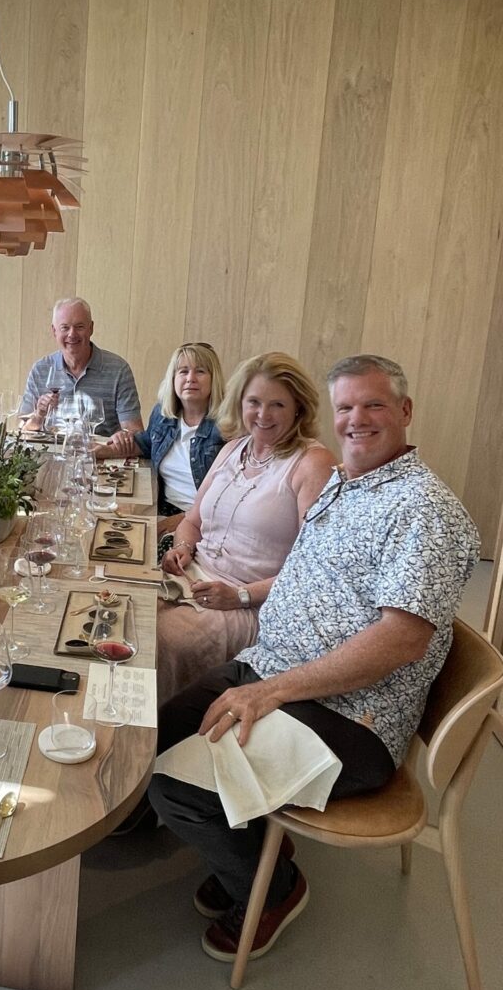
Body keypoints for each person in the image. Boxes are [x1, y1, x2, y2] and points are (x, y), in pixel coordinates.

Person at [149, 354, 480, 964]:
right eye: (346, 407)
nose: (356, 420)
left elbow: (400, 641)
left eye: (373, 405)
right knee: (155, 736)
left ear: (405, 412)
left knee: (176, 787)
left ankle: (274, 889)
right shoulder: (346, 486)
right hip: (277, 664)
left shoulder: (425, 510)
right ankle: (246, 842)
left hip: (352, 716)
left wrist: (272, 690)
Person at [155, 352, 336, 704]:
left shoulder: (312, 463)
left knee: (161, 638)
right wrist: (182, 548)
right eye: (254, 402)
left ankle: (157, 738)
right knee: (121, 612)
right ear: (240, 402)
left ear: (299, 408)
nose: (263, 415)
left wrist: (240, 596)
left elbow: (311, 570)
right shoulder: (234, 449)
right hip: (193, 578)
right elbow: (192, 521)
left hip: (247, 603)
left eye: (277, 405)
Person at [101, 342, 226, 552]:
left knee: (139, 553)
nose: (190, 378)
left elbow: (227, 499)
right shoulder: (163, 414)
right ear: (173, 378)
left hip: (205, 521)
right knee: (108, 532)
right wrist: (97, 452)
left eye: (201, 371)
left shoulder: (226, 428)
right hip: (164, 508)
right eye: (183, 371)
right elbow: (144, 444)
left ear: (214, 379)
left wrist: (179, 520)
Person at [20, 297, 143, 437]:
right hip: (50, 454)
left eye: (79, 327)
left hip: (100, 454)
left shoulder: (118, 370)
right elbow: (23, 430)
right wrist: (39, 415)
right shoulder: (40, 370)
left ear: (91, 328)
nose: (72, 334)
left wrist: (117, 443)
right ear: (54, 331)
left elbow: (135, 433)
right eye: (65, 327)